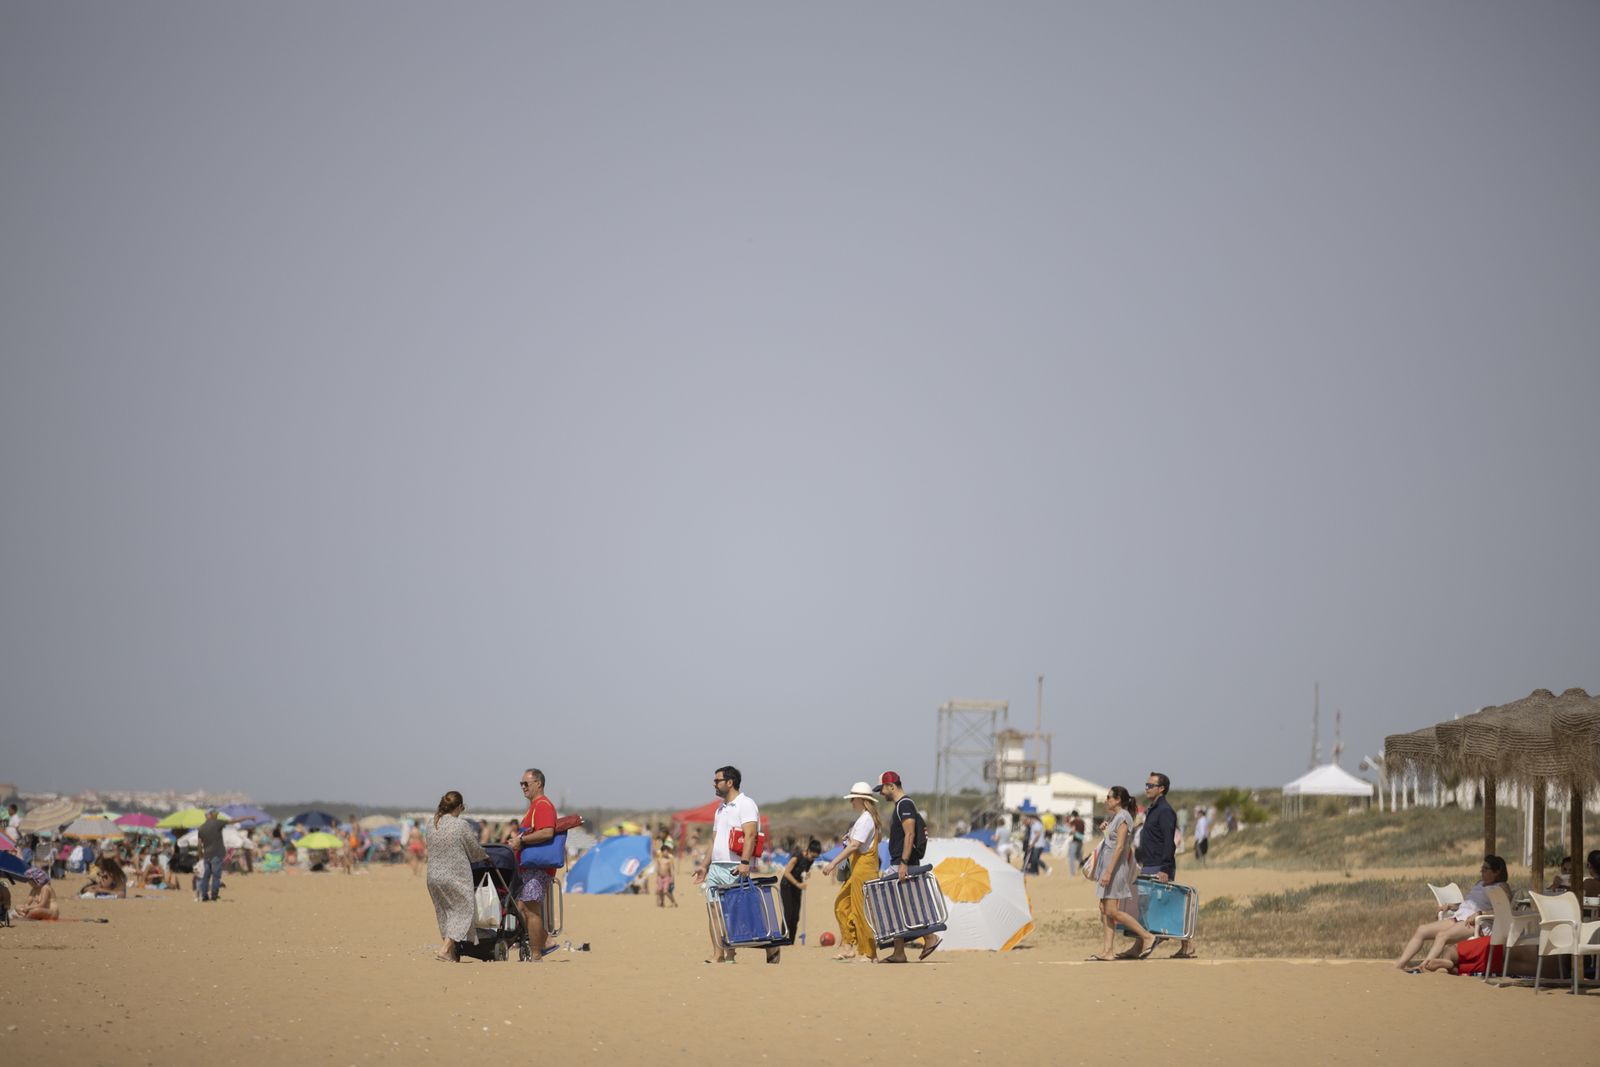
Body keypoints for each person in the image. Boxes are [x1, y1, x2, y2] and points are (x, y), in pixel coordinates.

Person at [691, 765, 763, 963]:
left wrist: (745, 863)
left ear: (729, 782)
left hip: (735, 867)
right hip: (716, 867)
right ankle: (718, 954)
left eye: (717, 780)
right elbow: (714, 841)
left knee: (733, 912)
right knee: (713, 910)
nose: (714, 784)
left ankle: (731, 953)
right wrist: (704, 866)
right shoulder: (720, 809)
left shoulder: (746, 804)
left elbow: (750, 835)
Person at [1394, 855, 1508, 970]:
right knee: (1422, 929)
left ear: (1497, 871)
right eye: (1481, 869)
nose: (1481, 871)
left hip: (1476, 923)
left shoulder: (1501, 886)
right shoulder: (1479, 883)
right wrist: (1451, 906)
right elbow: (1469, 903)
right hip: (1459, 917)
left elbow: (1504, 909)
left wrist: (1480, 913)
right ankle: (1400, 964)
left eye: (1485, 869)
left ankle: (1424, 966)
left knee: (1442, 936)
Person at [874, 770, 941, 963]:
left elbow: (909, 834)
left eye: (882, 789)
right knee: (898, 906)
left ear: (892, 786)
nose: (881, 793)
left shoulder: (905, 805)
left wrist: (903, 863)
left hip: (903, 863)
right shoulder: (901, 805)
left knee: (900, 905)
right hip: (899, 862)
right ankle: (899, 952)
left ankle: (929, 937)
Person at [1089, 785, 1157, 961]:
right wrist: (1105, 829)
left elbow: (1120, 847)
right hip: (1108, 867)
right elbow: (1112, 842)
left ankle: (1147, 936)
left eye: (1109, 797)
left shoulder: (1124, 817)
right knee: (1104, 908)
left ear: (1118, 799)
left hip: (1115, 869)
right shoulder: (1116, 817)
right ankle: (1108, 950)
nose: (1107, 800)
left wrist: (1109, 872)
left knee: (1112, 910)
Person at [1132, 771, 1195, 959]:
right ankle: (1140, 944)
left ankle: (1187, 945)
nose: (1147, 788)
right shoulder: (1152, 809)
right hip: (1148, 864)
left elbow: (1169, 842)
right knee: (1146, 907)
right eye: (1146, 784)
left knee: (1160, 907)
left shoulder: (1165, 811)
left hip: (1159, 866)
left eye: (1151, 785)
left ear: (1161, 789)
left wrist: (1165, 869)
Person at [820, 781, 882, 962]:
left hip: (864, 869)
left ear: (862, 800)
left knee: (861, 911)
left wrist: (833, 863)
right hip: (858, 868)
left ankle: (869, 953)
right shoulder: (865, 818)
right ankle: (849, 946)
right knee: (842, 905)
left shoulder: (866, 819)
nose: (851, 802)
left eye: (853, 799)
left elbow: (855, 845)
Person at [503, 768, 560, 962]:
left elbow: (547, 832)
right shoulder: (535, 806)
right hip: (530, 866)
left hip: (538, 867)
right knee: (521, 907)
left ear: (539, 783)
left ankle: (537, 954)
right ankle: (545, 940)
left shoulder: (543, 805)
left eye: (526, 783)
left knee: (529, 907)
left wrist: (522, 841)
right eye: (521, 784)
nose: (523, 787)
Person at [425, 790, 488, 963]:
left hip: (433, 876)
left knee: (445, 911)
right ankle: (445, 949)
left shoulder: (431, 823)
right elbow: (474, 850)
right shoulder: (460, 825)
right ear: (460, 807)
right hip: (455, 876)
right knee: (463, 910)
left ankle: (451, 952)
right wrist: (485, 856)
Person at [776, 838, 821, 954]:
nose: (813, 859)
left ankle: (791, 941)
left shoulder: (810, 860)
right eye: (812, 855)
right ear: (808, 851)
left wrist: (806, 875)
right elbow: (786, 872)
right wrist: (797, 884)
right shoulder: (797, 856)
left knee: (796, 915)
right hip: (787, 886)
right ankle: (783, 939)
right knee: (788, 913)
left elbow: (804, 871)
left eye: (815, 857)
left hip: (797, 887)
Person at [196, 809, 227, 902]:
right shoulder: (216, 824)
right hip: (216, 854)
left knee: (206, 876)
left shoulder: (201, 828)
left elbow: (199, 844)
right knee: (216, 876)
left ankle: (204, 896)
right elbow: (231, 822)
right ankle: (214, 896)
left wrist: (200, 854)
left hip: (206, 855)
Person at [654, 831, 677, 908]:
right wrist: (657, 877)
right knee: (660, 890)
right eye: (664, 851)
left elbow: (671, 870)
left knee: (666, 891)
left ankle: (673, 901)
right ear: (662, 852)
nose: (666, 853)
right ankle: (662, 903)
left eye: (667, 851)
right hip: (660, 877)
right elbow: (657, 869)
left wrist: (672, 879)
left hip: (667, 878)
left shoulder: (669, 860)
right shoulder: (659, 859)